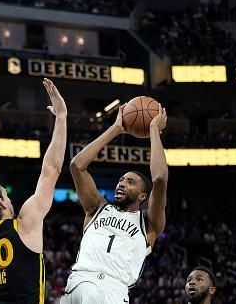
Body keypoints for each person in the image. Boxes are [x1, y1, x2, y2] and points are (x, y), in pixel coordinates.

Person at [0, 78, 67, 304]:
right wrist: (61, 117)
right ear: (1, 202)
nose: (10, 200)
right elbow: (52, 169)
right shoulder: (24, 225)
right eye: (6, 195)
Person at [61, 103, 168, 304]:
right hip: (78, 283)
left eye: (130, 182)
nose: (121, 184)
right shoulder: (97, 208)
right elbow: (77, 165)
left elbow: (160, 178)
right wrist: (116, 129)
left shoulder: (149, 223)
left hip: (111, 289)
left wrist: (154, 130)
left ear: (142, 196)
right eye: (120, 180)